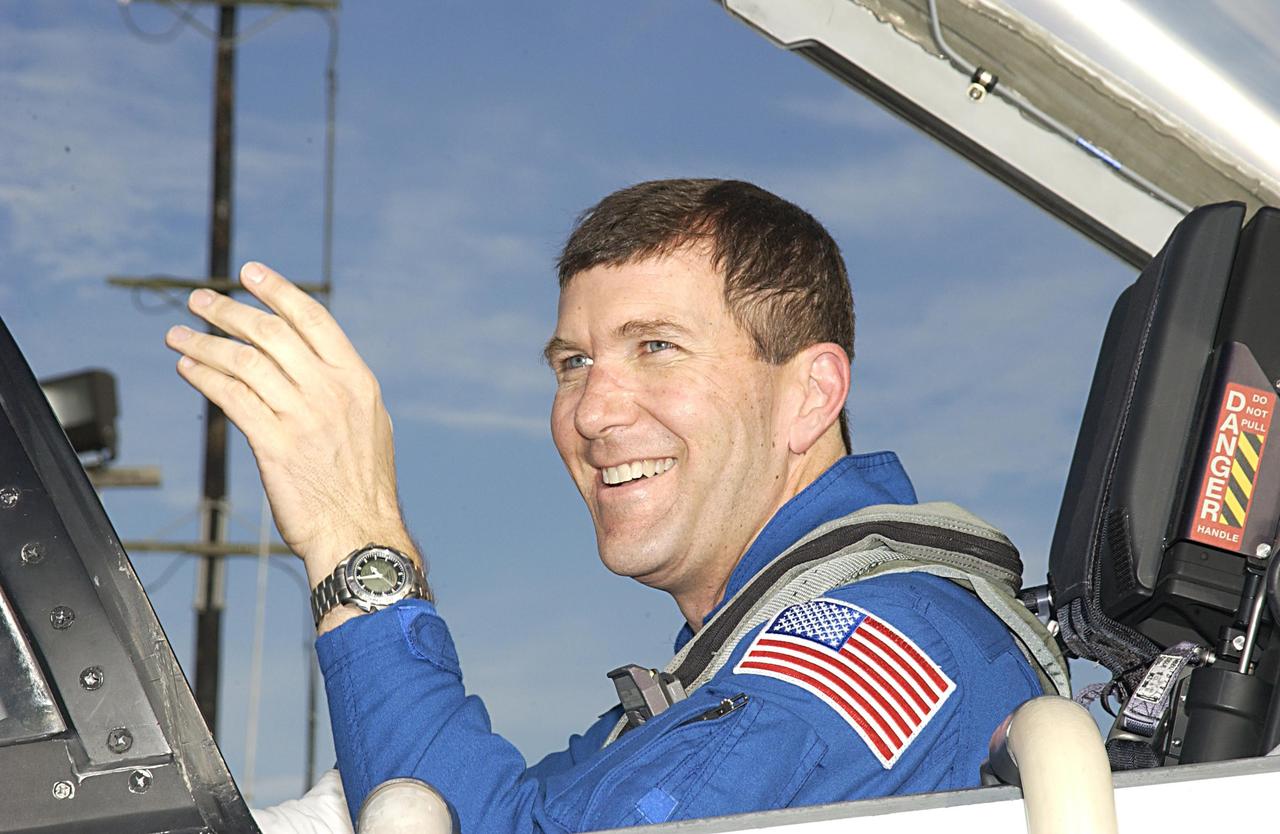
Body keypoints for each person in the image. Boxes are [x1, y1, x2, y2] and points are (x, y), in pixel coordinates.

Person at [166, 179, 1056, 832]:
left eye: (658, 347)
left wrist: (354, 536)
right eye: (573, 363)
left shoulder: (870, 657)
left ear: (812, 394)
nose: (592, 412)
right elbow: (497, 816)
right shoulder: (717, 684)